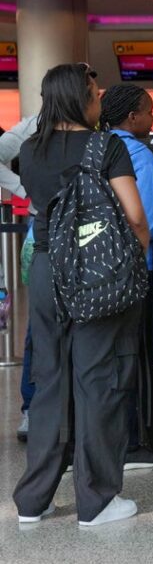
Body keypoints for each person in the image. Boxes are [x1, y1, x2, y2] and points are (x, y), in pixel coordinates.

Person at [13, 63, 149, 527]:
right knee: (99, 380)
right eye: (94, 93)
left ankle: (34, 501)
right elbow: (133, 213)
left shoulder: (32, 149)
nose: (98, 100)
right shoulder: (105, 145)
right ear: (79, 98)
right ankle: (97, 501)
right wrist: (141, 247)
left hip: (48, 268)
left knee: (49, 381)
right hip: (96, 272)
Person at [99, 84, 153, 471]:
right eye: (148, 111)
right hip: (132, 266)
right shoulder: (139, 155)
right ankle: (131, 443)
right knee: (131, 356)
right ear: (132, 117)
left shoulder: (96, 145)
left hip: (95, 267)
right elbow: (145, 217)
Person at [0, 114, 37, 442]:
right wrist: (23, 188)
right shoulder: (33, 125)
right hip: (41, 231)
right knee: (40, 326)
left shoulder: (95, 129)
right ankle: (31, 408)